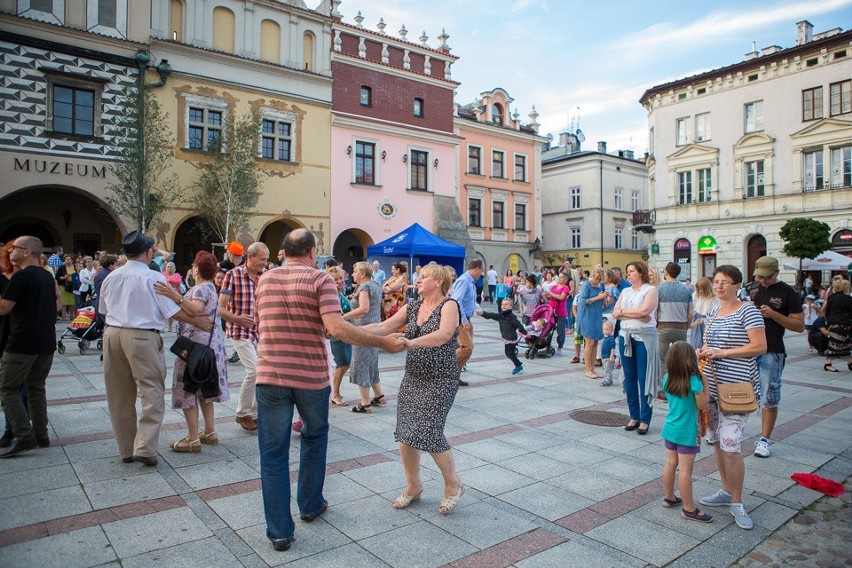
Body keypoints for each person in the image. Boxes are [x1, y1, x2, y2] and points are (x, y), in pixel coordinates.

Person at [253, 228, 404, 552]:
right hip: (309, 378)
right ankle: (309, 504)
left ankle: (279, 532)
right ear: (311, 252)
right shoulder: (319, 279)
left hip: (270, 376)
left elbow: (260, 322)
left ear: (283, 252)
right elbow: (334, 328)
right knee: (314, 437)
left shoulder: (265, 280)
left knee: (273, 454)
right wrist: (382, 343)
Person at [99, 231, 213, 466]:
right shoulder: (152, 278)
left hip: (111, 334)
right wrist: (197, 321)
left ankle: (126, 449)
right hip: (142, 337)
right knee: (151, 391)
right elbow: (172, 311)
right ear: (149, 252)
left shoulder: (112, 276)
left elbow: (103, 309)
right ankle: (145, 447)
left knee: (119, 396)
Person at [362, 263, 465, 515]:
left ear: (438, 281)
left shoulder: (449, 306)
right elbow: (383, 327)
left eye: (424, 277)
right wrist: (345, 331)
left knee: (429, 431)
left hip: (441, 378)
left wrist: (410, 343)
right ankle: (414, 486)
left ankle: (454, 485)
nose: (417, 281)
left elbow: (444, 335)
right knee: (406, 433)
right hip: (414, 377)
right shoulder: (414, 306)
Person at [697, 265, 766, 530]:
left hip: (737, 389)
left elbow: (760, 346)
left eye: (725, 282)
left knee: (730, 443)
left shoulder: (747, 310)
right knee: (715, 441)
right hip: (712, 387)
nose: (720, 286)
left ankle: (737, 501)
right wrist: (703, 351)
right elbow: (709, 343)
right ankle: (726, 490)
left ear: (738, 285)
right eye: (717, 282)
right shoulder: (714, 311)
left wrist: (723, 353)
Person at [154, 251, 229, 452]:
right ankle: (210, 431)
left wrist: (173, 294)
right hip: (209, 348)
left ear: (196, 269)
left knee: (187, 389)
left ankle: (193, 438)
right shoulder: (210, 287)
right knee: (204, 389)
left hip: (194, 348)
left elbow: (195, 309)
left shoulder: (200, 289)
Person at [0, 236, 61, 457]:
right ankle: (41, 434)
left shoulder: (22, 277)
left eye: (15, 248)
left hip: (22, 342)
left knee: (7, 387)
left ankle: (24, 435)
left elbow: (4, 308)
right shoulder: (46, 276)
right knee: (36, 386)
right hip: (45, 341)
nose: (10, 252)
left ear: (27, 252)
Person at [746, 256, 804, 459]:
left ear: (775, 273)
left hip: (772, 349)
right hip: (748, 348)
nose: (762, 280)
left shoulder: (788, 293)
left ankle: (764, 440)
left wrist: (773, 315)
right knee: (740, 391)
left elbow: (799, 326)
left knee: (770, 396)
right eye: (759, 276)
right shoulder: (752, 287)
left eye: (766, 277)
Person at [218, 242, 268, 432]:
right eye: (261, 259)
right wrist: (237, 318)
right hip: (239, 330)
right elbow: (220, 309)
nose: (265, 263)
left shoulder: (265, 277)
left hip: (260, 330)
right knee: (254, 370)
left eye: (266, 259)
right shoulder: (233, 275)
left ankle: (254, 414)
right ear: (250, 257)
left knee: (264, 371)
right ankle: (242, 413)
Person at [661, 341, 712, 523]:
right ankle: (689, 509)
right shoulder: (694, 381)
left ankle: (669, 497)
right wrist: (705, 383)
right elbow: (703, 404)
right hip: (688, 431)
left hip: (670, 428)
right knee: (685, 471)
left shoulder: (667, 379)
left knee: (670, 464)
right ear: (690, 360)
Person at [612, 261, 660, 435]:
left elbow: (644, 312)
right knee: (630, 377)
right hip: (626, 336)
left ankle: (645, 419)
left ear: (640, 272)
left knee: (644, 378)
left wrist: (624, 312)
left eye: (631, 271)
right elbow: (615, 312)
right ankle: (634, 415)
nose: (628, 274)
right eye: (627, 271)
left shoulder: (651, 290)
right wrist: (630, 313)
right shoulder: (625, 291)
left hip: (644, 337)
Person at [342, 261, 385, 413]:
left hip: (363, 330)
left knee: (361, 364)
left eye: (354, 272)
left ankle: (365, 404)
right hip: (374, 330)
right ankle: (379, 395)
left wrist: (343, 317)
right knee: (371, 362)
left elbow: (364, 308)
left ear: (361, 273)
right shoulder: (375, 285)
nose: (352, 274)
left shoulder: (365, 287)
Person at [657, 262, 694, 384]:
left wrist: (657, 325)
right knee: (681, 358)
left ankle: (666, 386)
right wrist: (686, 327)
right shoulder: (686, 290)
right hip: (681, 327)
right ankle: (682, 383)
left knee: (662, 359)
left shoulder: (659, 289)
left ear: (666, 273)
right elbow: (690, 314)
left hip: (663, 327)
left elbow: (654, 312)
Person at [450, 259, 483, 384]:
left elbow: (470, 300)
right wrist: (464, 320)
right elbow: (456, 300)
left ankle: (454, 377)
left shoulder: (470, 282)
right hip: (460, 319)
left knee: (469, 348)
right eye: (481, 271)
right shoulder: (464, 280)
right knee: (466, 348)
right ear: (477, 269)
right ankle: (447, 369)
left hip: (466, 318)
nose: (481, 274)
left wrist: (477, 308)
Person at [477, 298, 526, 375]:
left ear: (511, 306)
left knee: (509, 353)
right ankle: (518, 363)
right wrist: (483, 314)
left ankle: (519, 365)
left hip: (511, 338)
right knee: (509, 353)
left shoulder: (511, 316)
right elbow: (492, 315)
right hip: (507, 338)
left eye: (506, 304)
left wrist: (524, 332)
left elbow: (518, 324)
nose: (503, 306)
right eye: (502, 304)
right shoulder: (501, 315)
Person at [326, 266, 351, 406]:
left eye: (341, 278)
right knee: (342, 364)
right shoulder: (333, 293)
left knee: (344, 364)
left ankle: (335, 392)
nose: (339, 281)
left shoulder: (340, 292)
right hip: (337, 334)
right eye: (336, 279)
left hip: (344, 333)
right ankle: (334, 394)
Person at [578, 265, 607, 379]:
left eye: (600, 279)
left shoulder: (602, 285)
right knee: (589, 342)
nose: (598, 281)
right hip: (587, 315)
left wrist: (605, 299)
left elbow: (603, 301)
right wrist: (598, 298)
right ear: (593, 275)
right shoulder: (587, 284)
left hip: (597, 314)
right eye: (596, 278)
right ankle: (587, 369)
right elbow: (583, 301)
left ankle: (593, 369)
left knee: (595, 342)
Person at [822, 275, 852, 373]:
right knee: (837, 344)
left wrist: (827, 322)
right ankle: (828, 363)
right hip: (842, 324)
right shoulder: (847, 298)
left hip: (832, 323)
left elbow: (827, 310)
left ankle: (850, 362)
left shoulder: (831, 297)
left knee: (844, 343)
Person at [543, 272, 570, 355]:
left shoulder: (566, 288)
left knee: (560, 330)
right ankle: (547, 344)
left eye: (561, 277)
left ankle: (560, 346)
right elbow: (549, 297)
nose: (559, 279)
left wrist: (550, 293)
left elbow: (561, 297)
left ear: (565, 279)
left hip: (560, 312)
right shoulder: (554, 287)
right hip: (551, 311)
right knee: (548, 328)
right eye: (559, 277)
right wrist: (546, 295)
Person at [688, 277, 719, 350]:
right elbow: (692, 308)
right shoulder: (695, 295)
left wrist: (705, 319)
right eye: (698, 289)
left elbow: (716, 313)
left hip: (709, 321)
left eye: (702, 289)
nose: (700, 291)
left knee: (708, 344)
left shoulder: (714, 298)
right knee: (696, 344)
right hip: (697, 320)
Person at [163, 261, 184, 333]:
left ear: (174, 268)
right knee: (163, 311)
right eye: (168, 267)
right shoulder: (162, 275)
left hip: (175, 295)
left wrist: (169, 281)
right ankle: (162, 327)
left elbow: (178, 281)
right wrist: (172, 282)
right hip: (164, 294)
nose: (169, 268)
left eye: (171, 267)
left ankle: (170, 327)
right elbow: (162, 282)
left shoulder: (177, 275)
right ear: (165, 268)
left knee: (172, 311)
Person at [55, 254, 76, 320]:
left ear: (72, 260)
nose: (68, 261)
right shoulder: (62, 267)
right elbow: (57, 277)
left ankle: (72, 315)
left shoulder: (75, 267)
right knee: (64, 301)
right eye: (67, 260)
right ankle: (63, 316)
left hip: (73, 286)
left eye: (69, 259)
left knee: (72, 301)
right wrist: (63, 277)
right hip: (64, 285)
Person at [600, 320, 617, 386]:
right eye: (604, 329)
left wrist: (611, 356)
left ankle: (608, 381)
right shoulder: (605, 338)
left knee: (608, 370)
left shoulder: (611, 338)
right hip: (604, 357)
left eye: (607, 329)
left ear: (611, 330)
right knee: (606, 369)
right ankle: (609, 380)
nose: (605, 331)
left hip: (608, 357)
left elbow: (613, 348)